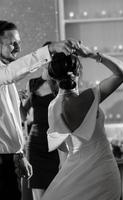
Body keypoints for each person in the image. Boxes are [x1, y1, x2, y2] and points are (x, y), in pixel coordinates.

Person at [0, 20, 79, 200]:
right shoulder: (7, 74)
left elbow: (9, 122)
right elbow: (16, 70)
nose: (18, 48)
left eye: (19, 42)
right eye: (13, 43)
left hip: (10, 159)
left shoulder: (5, 75)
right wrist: (50, 49)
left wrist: (18, 154)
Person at [41, 42, 123, 200]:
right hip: (104, 171)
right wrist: (92, 55)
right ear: (78, 72)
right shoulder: (93, 96)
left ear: (52, 76)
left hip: (75, 172)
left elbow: (63, 152)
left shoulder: (53, 107)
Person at [20, 69, 60, 200]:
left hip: (56, 143)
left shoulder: (61, 84)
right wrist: (18, 102)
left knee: (56, 192)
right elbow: (23, 115)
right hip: (35, 144)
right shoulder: (33, 84)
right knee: (38, 194)